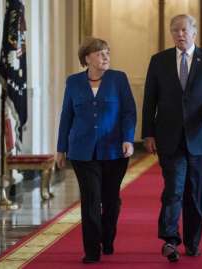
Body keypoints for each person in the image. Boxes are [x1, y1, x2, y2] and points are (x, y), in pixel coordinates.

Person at [141, 14, 202, 262]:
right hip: (169, 137)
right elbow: (150, 99)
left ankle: (193, 242)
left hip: (201, 137)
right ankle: (170, 240)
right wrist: (147, 133)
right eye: (175, 30)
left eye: (183, 30)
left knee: (196, 193)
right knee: (174, 189)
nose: (179, 34)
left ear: (194, 32)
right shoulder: (159, 61)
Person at [56, 37, 137, 264]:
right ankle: (92, 250)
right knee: (91, 199)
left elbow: (129, 112)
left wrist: (128, 139)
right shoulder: (73, 82)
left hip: (114, 150)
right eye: (101, 53)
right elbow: (66, 116)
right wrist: (61, 148)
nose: (106, 57)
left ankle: (108, 237)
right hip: (82, 151)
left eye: (108, 53)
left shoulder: (118, 79)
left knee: (111, 200)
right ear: (87, 58)